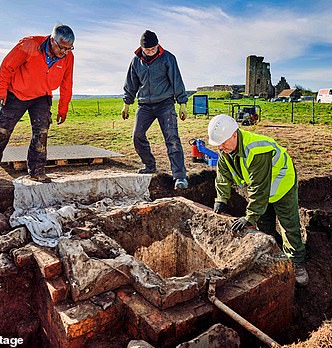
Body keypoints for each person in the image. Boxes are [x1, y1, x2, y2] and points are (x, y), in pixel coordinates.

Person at [207, 114, 309, 286]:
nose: (221, 147)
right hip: (262, 191)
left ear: (234, 134)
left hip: (282, 185)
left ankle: (297, 262)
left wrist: (249, 217)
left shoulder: (256, 150)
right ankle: (271, 255)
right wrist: (221, 199)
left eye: (224, 142)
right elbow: (223, 176)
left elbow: (258, 188)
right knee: (264, 225)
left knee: (288, 225)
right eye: (218, 144)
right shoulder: (226, 151)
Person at [0, 24, 75, 184]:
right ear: (52, 40)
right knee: (2, 131)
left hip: (42, 96)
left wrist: (63, 107)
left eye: (69, 49)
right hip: (17, 94)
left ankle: (37, 171)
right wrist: (1, 90)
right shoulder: (29, 44)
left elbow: (67, 83)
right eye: (62, 48)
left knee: (41, 134)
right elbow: (8, 66)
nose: (65, 52)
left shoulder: (68, 57)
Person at [122, 30, 189, 189]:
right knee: (137, 135)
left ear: (158, 45)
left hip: (165, 104)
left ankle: (180, 176)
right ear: (142, 48)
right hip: (144, 105)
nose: (151, 52)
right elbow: (131, 84)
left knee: (172, 138)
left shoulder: (168, 58)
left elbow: (176, 80)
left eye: (153, 48)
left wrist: (182, 103)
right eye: (148, 50)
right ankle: (149, 164)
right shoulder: (136, 62)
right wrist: (127, 103)